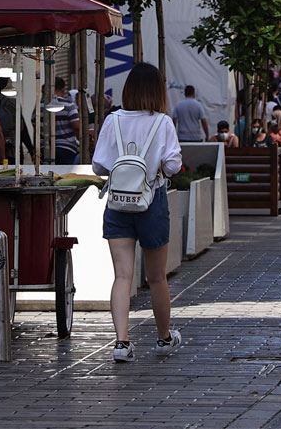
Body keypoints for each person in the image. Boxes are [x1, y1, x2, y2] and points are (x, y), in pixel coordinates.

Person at [93, 62, 184, 363]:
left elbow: (99, 166)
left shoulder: (112, 120)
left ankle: (121, 343)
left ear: (129, 89)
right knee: (157, 277)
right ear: (157, 91)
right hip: (151, 201)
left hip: (117, 202)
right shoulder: (163, 123)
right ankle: (163, 338)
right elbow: (173, 165)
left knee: (122, 276)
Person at [52, 76, 82, 165]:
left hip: (45, 148)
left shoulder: (40, 105)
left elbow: (34, 122)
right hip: (66, 148)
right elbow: (76, 125)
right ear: (63, 89)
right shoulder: (68, 105)